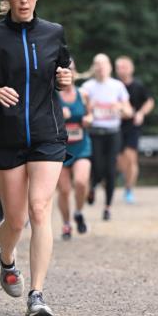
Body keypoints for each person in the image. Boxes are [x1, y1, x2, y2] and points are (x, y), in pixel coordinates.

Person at [0, 0, 72, 316]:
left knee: (40, 209)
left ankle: (37, 293)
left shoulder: (53, 32)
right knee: (15, 221)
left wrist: (65, 79)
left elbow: (65, 71)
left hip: (47, 133)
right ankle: (7, 259)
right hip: (7, 137)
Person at [81, 53, 132, 221]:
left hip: (112, 133)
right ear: (93, 67)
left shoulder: (117, 86)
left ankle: (108, 207)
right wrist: (87, 109)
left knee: (110, 170)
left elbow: (129, 111)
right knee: (97, 167)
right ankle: (93, 186)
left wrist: (121, 108)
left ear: (109, 67)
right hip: (94, 133)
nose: (100, 67)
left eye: (103, 64)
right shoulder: (87, 87)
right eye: (97, 64)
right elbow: (79, 109)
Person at [57, 59, 92, 239]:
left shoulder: (83, 94)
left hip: (81, 145)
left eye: (70, 70)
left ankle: (79, 212)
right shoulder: (52, 95)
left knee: (80, 182)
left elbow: (90, 114)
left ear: (75, 73)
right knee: (64, 190)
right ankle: (66, 223)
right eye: (63, 70)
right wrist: (58, 115)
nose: (67, 73)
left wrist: (89, 120)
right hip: (59, 148)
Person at [116, 55, 155, 204]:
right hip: (116, 127)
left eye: (124, 66)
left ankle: (129, 189)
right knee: (119, 160)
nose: (121, 70)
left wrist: (141, 113)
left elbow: (150, 101)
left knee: (131, 157)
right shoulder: (113, 85)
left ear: (131, 69)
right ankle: (124, 175)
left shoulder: (138, 86)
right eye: (119, 67)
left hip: (133, 126)